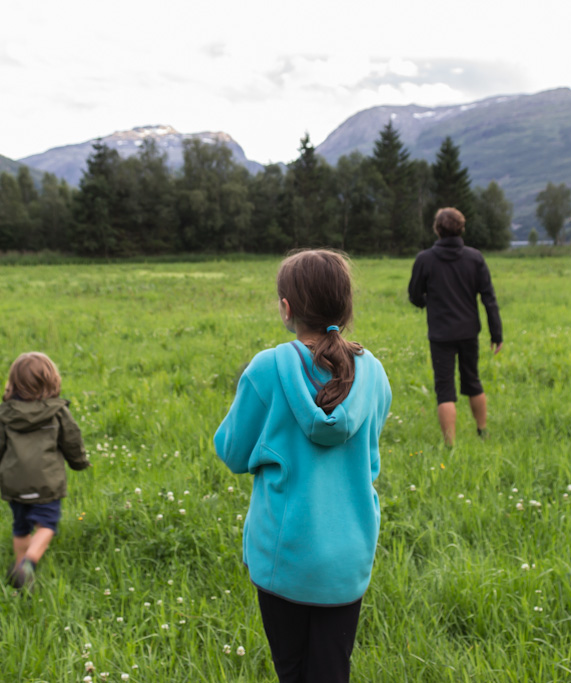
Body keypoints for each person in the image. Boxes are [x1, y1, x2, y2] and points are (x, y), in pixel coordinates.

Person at [214, 250, 392, 683]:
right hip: (348, 557)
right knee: (332, 672)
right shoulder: (373, 374)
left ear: (286, 308)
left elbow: (232, 452)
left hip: (284, 557)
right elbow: (369, 458)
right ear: (346, 308)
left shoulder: (267, 370)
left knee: (291, 671)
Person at [0, 351, 90, 590]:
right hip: (47, 483)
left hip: (14, 483)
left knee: (20, 527)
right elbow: (72, 442)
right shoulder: (58, 412)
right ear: (51, 381)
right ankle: (28, 564)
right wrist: (79, 463)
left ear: (14, 383)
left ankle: (21, 571)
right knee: (46, 525)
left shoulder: (5, 413)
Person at [408, 207, 503, 446]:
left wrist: (428, 302)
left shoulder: (425, 259)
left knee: (445, 389)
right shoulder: (474, 258)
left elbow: (414, 295)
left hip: (440, 333)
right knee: (473, 381)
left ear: (437, 229)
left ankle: (450, 445)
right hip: (469, 331)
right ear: (462, 228)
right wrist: (496, 333)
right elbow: (488, 298)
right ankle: (482, 431)